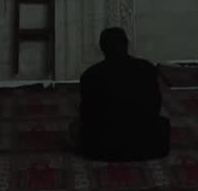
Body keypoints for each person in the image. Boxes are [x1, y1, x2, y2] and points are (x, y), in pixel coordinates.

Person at [73, 27, 171, 161]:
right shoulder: (146, 68)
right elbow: (155, 106)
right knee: (163, 122)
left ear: (102, 48)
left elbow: (86, 114)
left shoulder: (90, 75)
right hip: (146, 146)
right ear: (127, 44)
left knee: (75, 127)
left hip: (102, 149)